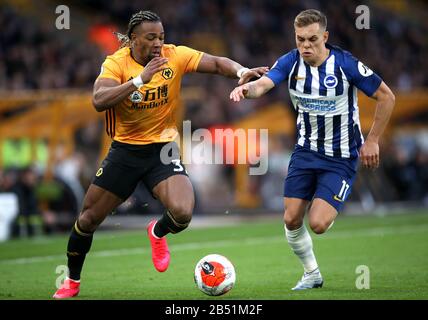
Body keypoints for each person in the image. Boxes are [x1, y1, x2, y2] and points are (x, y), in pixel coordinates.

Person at [53, 10, 268, 299]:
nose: (158, 43)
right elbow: (99, 100)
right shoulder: (116, 63)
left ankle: (156, 232)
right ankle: (72, 282)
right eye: (151, 37)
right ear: (133, 39)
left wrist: (242, 72)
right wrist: (140, 80)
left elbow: (216, 63)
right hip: (125, 152)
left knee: (182, 213)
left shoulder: (173, 55)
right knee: (88, 219)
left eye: (161, 37)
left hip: (162, 151)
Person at [230, 9, 395, 290]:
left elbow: (386, 96)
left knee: (317, 223)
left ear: (325, 37)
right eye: (300, 39)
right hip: (305, 152)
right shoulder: (290, 62)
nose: (305, 45)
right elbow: (265, 84)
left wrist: (372, 139)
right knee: (291, 218)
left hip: (341, 156)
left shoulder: (346, 65)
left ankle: (328, 202)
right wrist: (247, 90)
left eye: (312, 39)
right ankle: (312, 274)